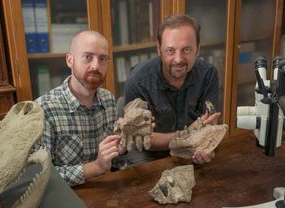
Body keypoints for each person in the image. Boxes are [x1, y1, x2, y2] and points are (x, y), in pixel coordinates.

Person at [124, 14, 221, 165]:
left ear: (198, 49)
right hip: (150, 155)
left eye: (186, 50)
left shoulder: (208, 75)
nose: (178, 59)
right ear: (159, 49)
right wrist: (187, 135)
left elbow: (209, 125)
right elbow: (142, 139)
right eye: (170, 50)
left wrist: (206, 147)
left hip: (192, 150)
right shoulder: (137, 81)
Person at [32, 30, 125, 186]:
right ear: (70, 60)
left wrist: (122, 147)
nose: (96, 65)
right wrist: (96, 166)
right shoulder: (43, 109)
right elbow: (40, 177)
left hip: (107, 189)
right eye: (88, 57)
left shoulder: (108, 99)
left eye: (102, 59)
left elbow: (113, 161)